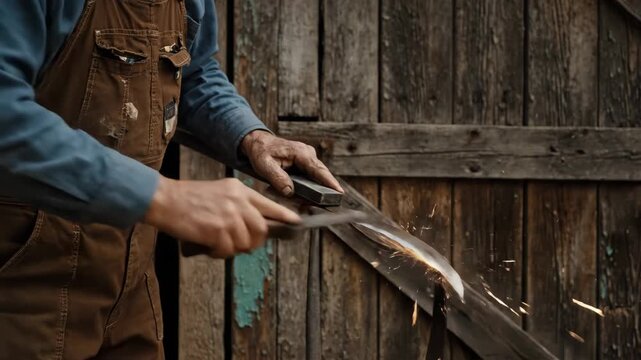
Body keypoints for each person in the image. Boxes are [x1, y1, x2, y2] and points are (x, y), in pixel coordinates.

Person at [0, 1, 342, 358]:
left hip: (131, 287)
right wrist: (162, 196)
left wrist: (251, 137)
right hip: (24, 286)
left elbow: (192, 73)